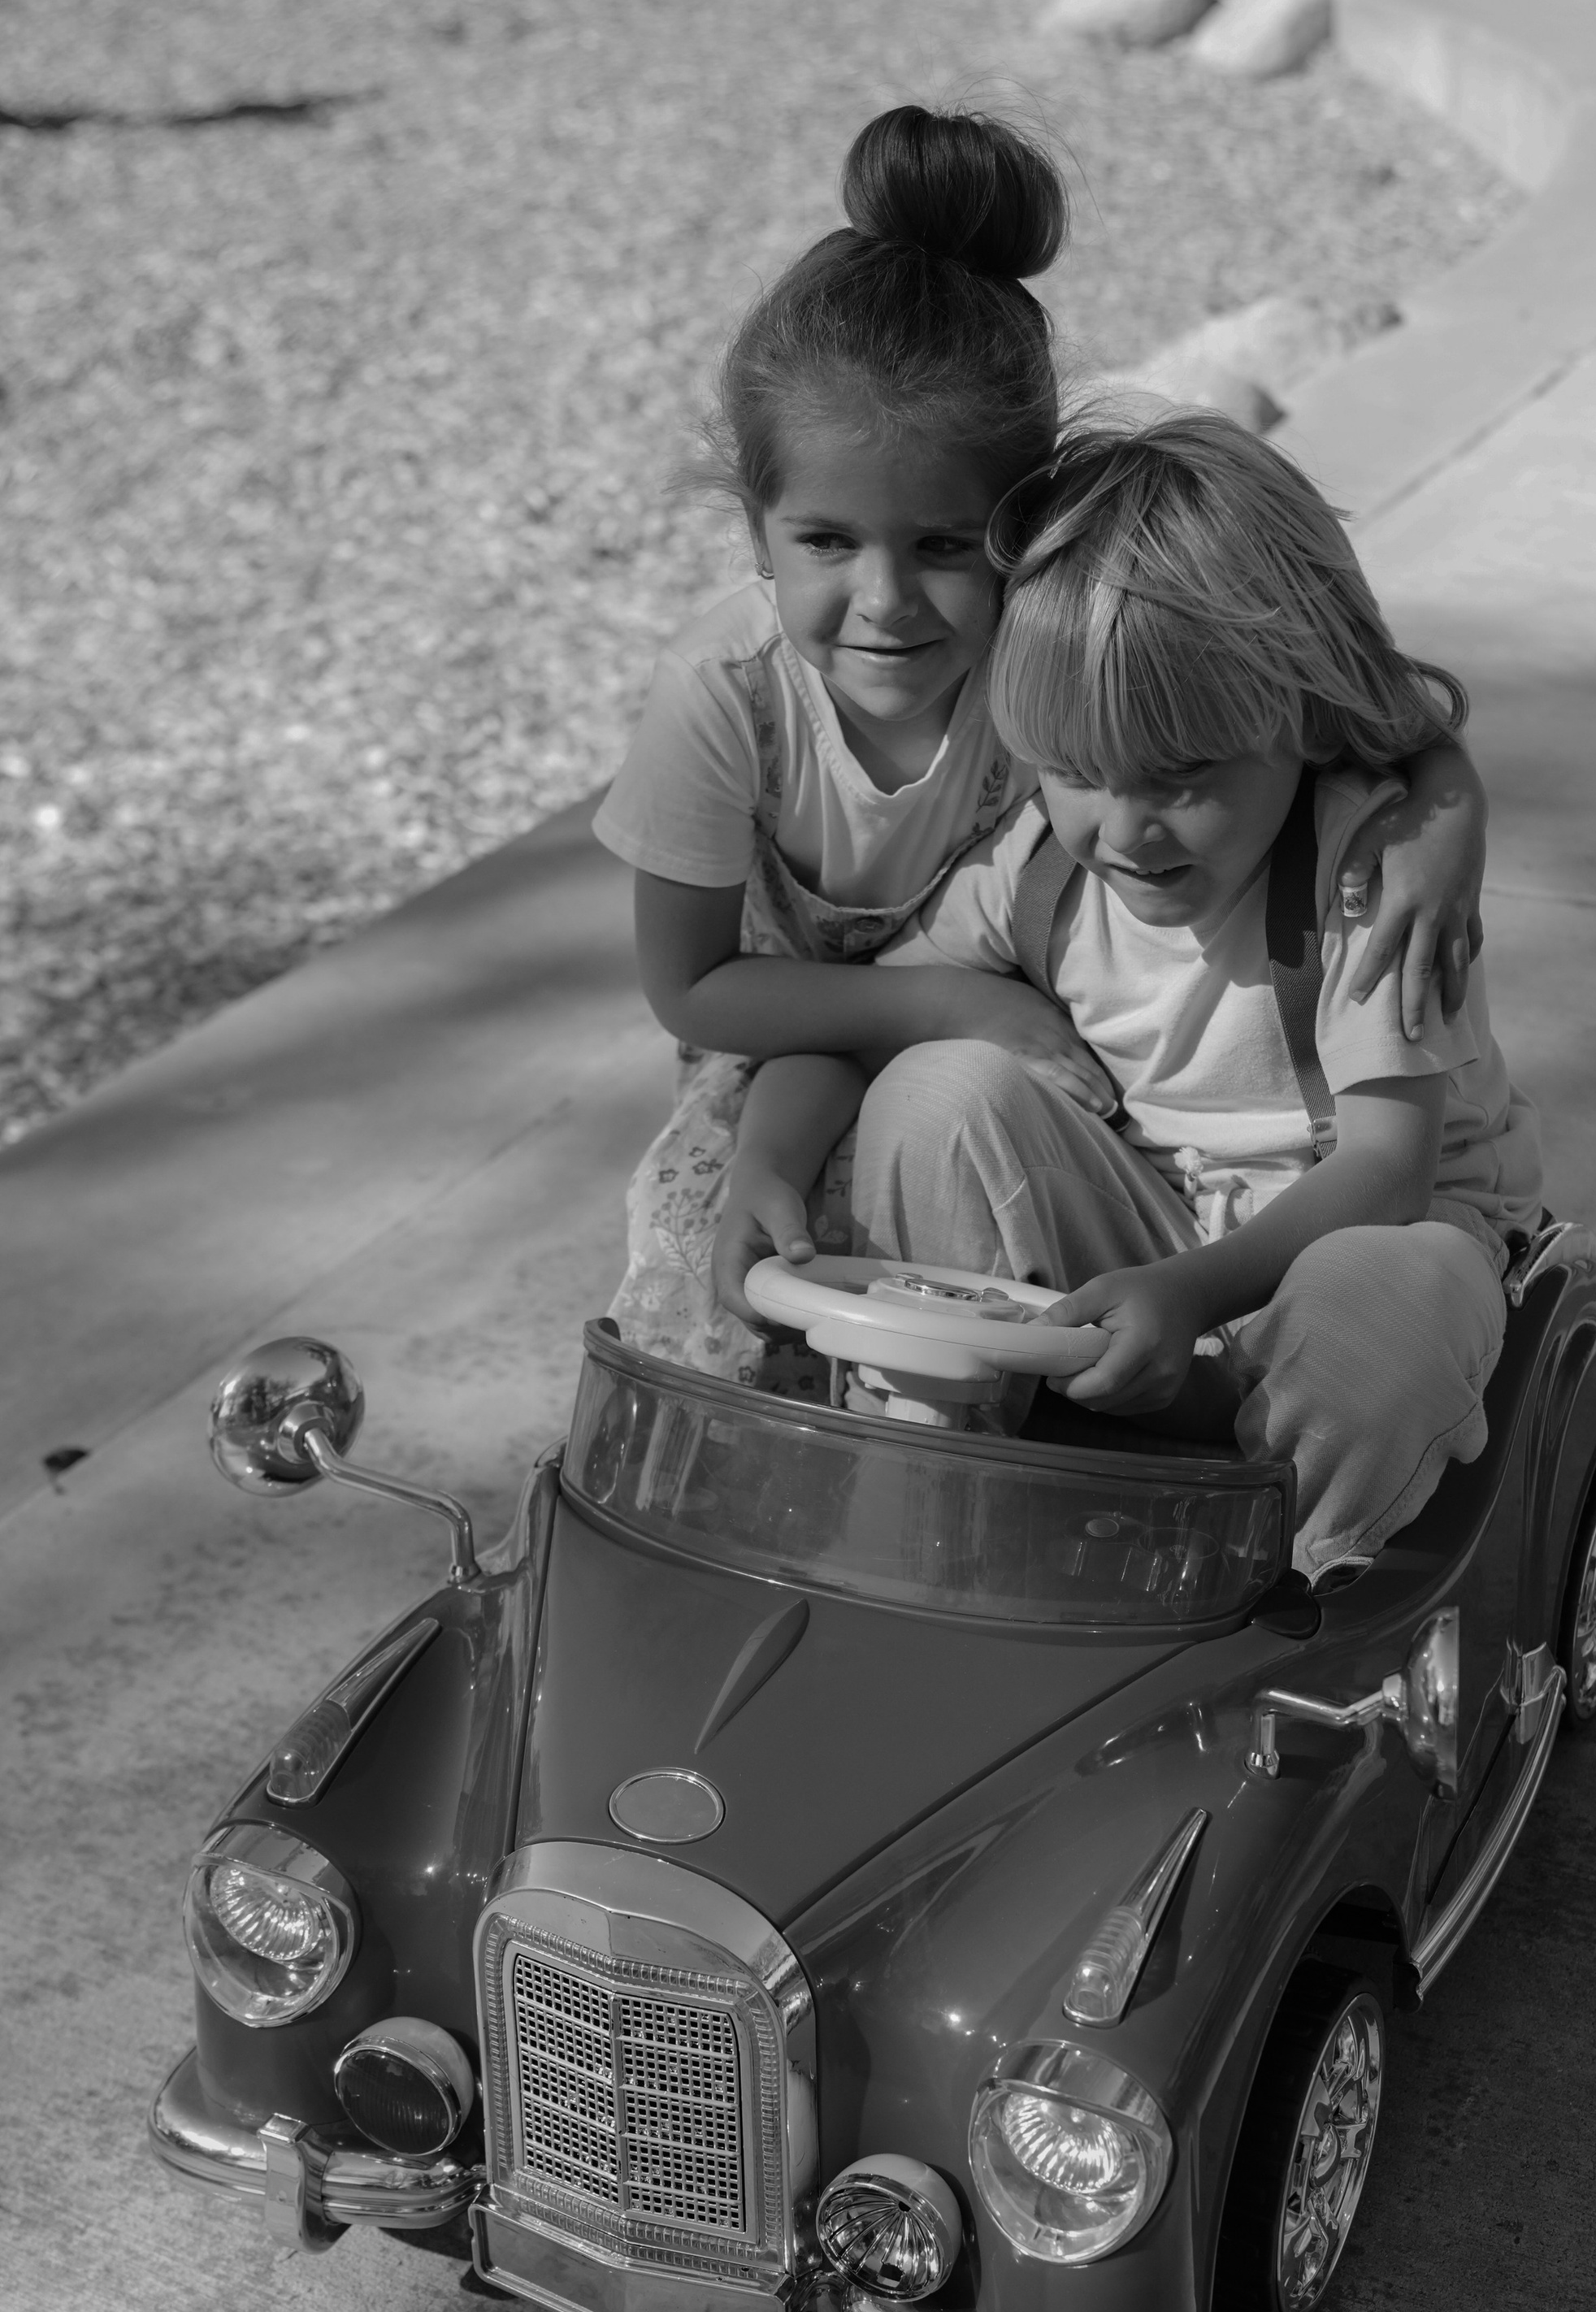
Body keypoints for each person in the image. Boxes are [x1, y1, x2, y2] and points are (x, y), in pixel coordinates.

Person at [597, 105, 1493, 1384]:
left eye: (947, 547)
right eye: (827, 541)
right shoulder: (724, 696)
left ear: (1026, 531)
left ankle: (1006, 1443)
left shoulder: (1067, 650)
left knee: (943, 1199)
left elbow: (1363, 715)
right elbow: (691, 988)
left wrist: (1444, 815)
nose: (890, 601)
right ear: (756, 529)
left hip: (1054, 1063)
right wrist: (949, 1000)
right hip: (808, 1041)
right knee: (730, 1278)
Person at [780, 414, 1546, 1584]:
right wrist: (765, 1169)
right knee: (935, 1086)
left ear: (1297, 715)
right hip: (1159, 1266)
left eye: (1182, 783)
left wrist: (1186, 1293)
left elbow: (1389, 1169)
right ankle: (938, 1492)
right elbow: (863, 1006)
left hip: (1367, 1245)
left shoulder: (1365, 872)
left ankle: (1286, 1586)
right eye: (1079, 772)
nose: (1123, 831)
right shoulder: (1041, 870)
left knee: (1377, 1301)